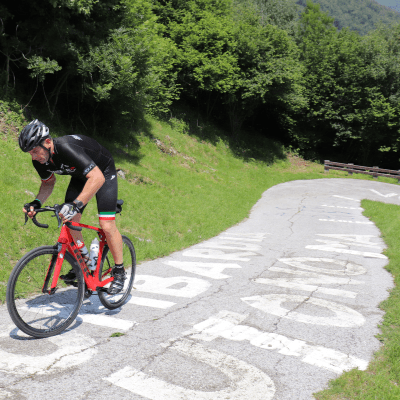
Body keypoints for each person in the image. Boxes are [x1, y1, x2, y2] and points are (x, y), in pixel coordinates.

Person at [19, 119, 126, 294]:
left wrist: (76, 204)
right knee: (68, 218)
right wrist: (36, 203)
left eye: (35, 151)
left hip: (103, 172)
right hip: (81, 174)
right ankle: (85, 264)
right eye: (29, 153)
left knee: (106, 224)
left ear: (47, 142)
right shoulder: (40, 159)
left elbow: (97, 178)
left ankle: (120, 271)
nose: (33, 157)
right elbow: (48, 183)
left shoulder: (66, 148)